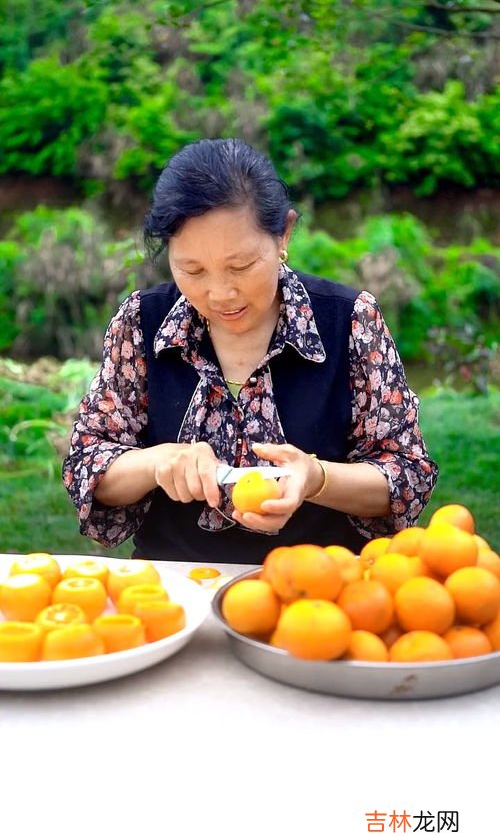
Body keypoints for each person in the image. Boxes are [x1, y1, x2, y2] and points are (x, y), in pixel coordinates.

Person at [63, 137, 438, 564]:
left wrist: (316, 478)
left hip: (322, 591)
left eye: (240, 266)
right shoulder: (142, 322)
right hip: (173, 591)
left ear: (284, 234)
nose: (220, 293)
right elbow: (88, 463)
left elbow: (406, 473)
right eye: (192, 269)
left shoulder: (349, 321)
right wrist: (157, 462)